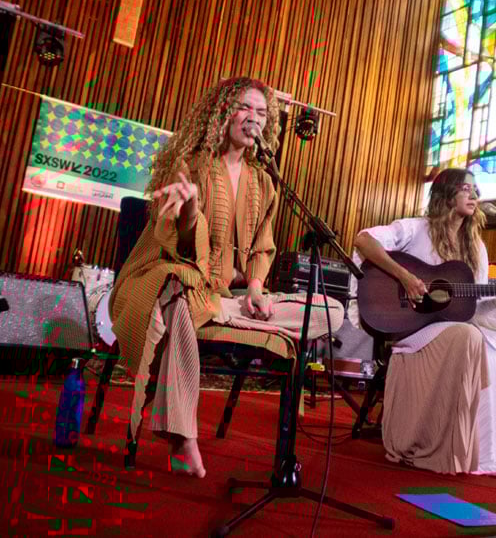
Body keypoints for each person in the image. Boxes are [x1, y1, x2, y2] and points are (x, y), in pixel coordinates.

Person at [108, 76, 342, 478]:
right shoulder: (189, 166)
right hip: (183, 282)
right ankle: (182, 436)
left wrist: (255, 288)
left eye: (262, 112)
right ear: (221, 113)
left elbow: (263, 248)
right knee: (178, 292)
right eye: (244, 107)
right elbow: (178, 248)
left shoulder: (264, 180)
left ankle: (228, 313)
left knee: (330, 309)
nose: (254, 118)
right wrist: (189, 210)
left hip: (231, 300)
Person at [352, 168, 496, 475]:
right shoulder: (415, 229)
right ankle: (452, 450)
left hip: (453, 325)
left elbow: (477, 304)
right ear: (446, 194)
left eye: (476, 190)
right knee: (468, 337)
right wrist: (405, 277)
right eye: (466, 188)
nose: (475, 195)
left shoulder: (476, 247)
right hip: (415, 327)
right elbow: (364, 240)